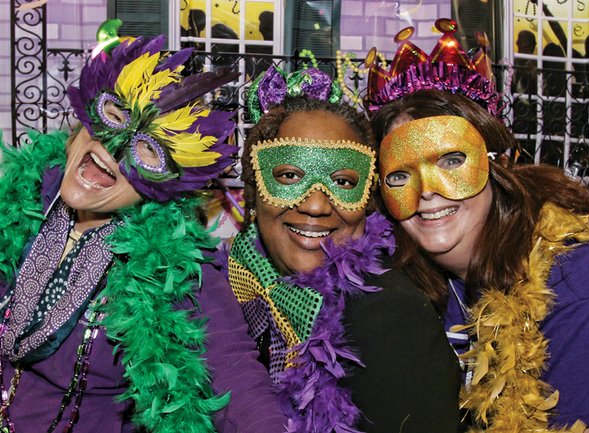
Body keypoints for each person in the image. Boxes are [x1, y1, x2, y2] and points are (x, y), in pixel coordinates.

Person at [0, 35, 285, 433]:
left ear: (164, 185)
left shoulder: (178, 268)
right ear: (85, 116)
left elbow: (238, 382)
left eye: (148, 151)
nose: (113, 148)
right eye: (116, 114)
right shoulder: (24, 194)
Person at [367, 24, 589, 432]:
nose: (427, 193)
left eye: (451, 160)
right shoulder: (415, 279)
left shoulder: (577, 276)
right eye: (400, 176)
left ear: (498, 162)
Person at [221, 64, 461, 432]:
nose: (316, 205)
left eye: (342, 181)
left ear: (367, 199)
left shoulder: (390, 315)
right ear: (253, 190)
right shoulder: (220, 287)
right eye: (289, 176)